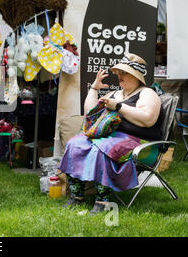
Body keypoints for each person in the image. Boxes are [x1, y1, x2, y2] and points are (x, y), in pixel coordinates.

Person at [58, 53, 164, 214]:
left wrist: (119, 106)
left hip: (140, 143)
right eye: (118, 72)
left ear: (136, 76)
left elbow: (147, 119)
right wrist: (94, 89)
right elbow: (90, 113)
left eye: (124, 73)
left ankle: (103, 201)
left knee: (102, 148)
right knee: (75, 143)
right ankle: (76, 196)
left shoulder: (146, 93)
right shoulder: (116, 94)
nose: (119, 76)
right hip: (112, 137)